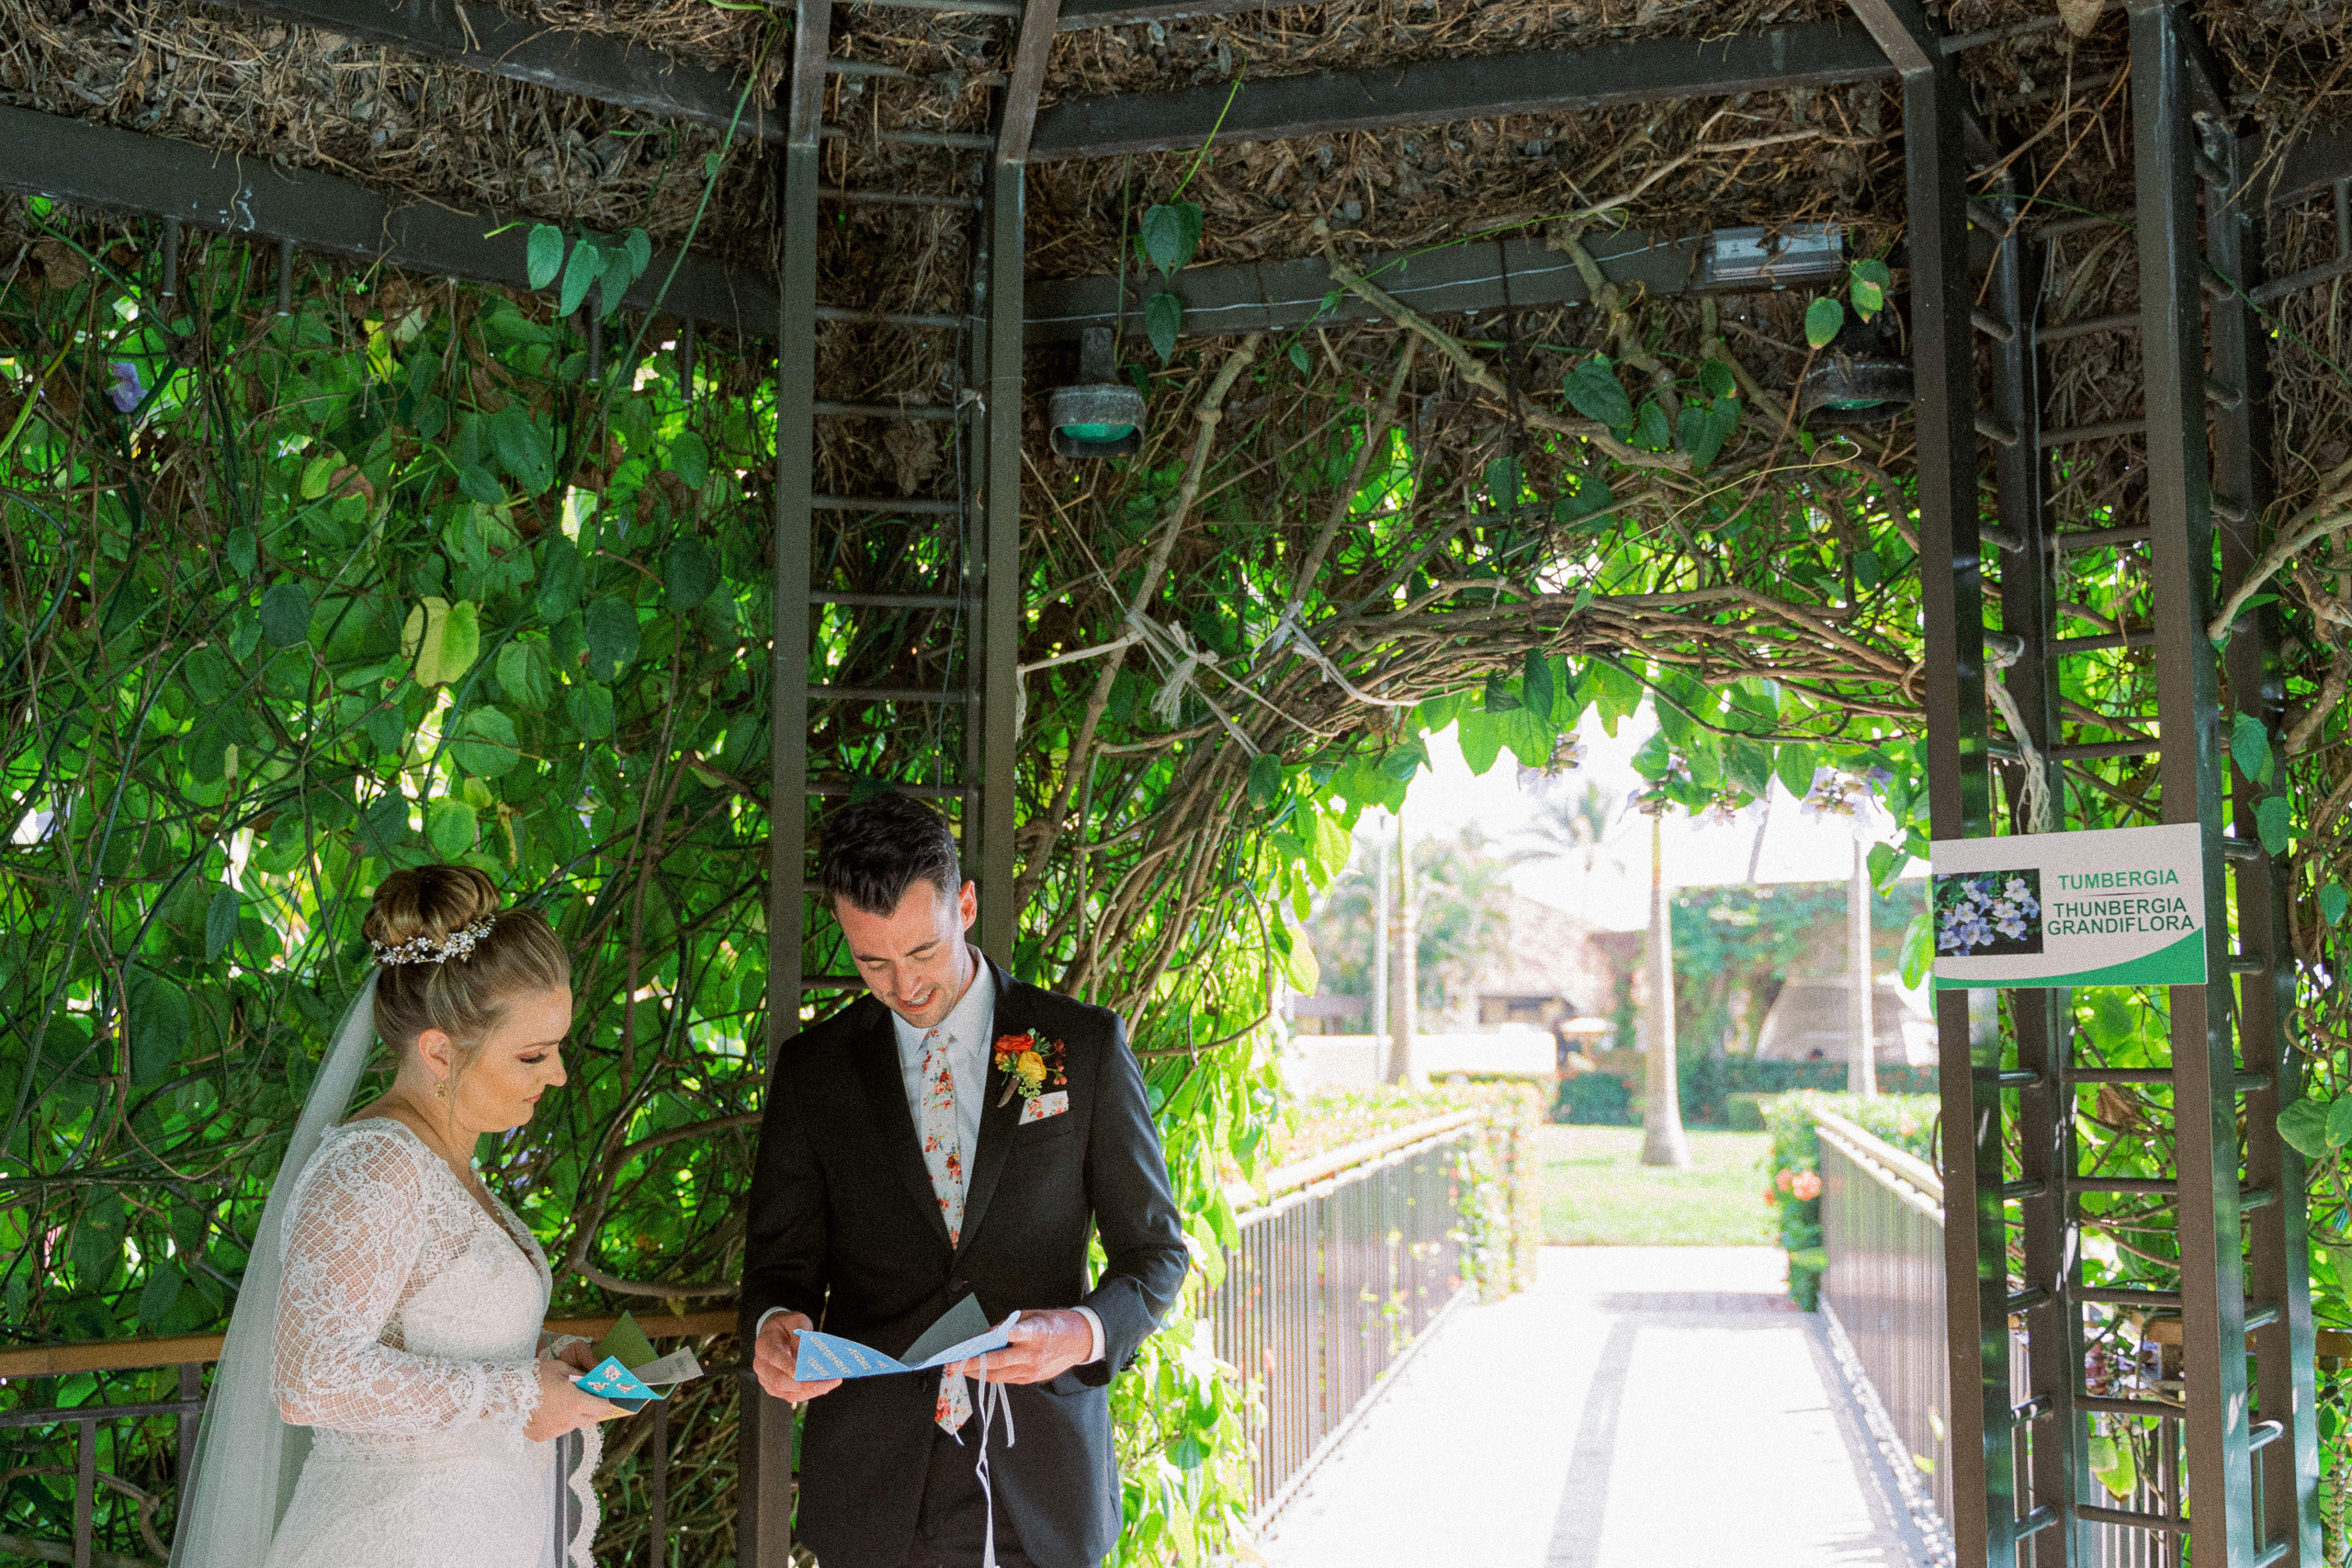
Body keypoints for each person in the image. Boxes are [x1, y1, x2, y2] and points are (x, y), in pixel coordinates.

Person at [741, 794, 1189, 1568]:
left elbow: (1156, 1256)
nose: (904, 986)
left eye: (923, 951)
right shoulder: (816, 1073)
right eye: (871, 961)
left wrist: (1078, 1332)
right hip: (876, 1495)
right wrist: (775, 1328)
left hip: (1042, 1484)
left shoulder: (1076, 1044)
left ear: (967, 905)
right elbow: (777, 1268)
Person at [169, 865, 625, 1568]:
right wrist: (518, 1390)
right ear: (440, 1050)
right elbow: (308, 1376)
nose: (558, 1073)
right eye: (533, 1053)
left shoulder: (448, 1165)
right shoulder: (374, 1166)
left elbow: (419, 1335)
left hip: (479, 1533)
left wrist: (545, 1364)